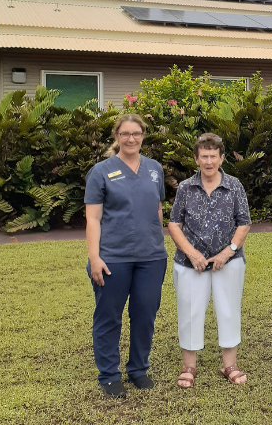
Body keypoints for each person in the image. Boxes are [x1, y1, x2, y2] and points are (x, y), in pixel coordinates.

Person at [85, 114, 168, 398]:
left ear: (143, 136)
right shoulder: (101, 172)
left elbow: (157, 209)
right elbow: (93, 219)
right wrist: (94, 257)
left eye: (136, 133)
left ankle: (138, 370)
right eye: (125, 134)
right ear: (116, 136)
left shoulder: (155, 169)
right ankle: (109, 374)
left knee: (145, 314)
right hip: (113, 258)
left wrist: (157, 240)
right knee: (109, 317)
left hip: (152, 257)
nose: (131, 139)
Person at [168, 133, 251, 389]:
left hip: (228, 260)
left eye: (213, 156)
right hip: (191, 263)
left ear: (221, 157)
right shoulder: (185, 188)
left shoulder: (234, 185)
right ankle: (189, 367)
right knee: (190, 312)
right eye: (203, 156)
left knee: (228, 309)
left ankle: (230, 365)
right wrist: (192, 254)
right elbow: (174, 224)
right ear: (196, 159)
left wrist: (228, 251)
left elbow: (244, 222)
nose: (208, 161)